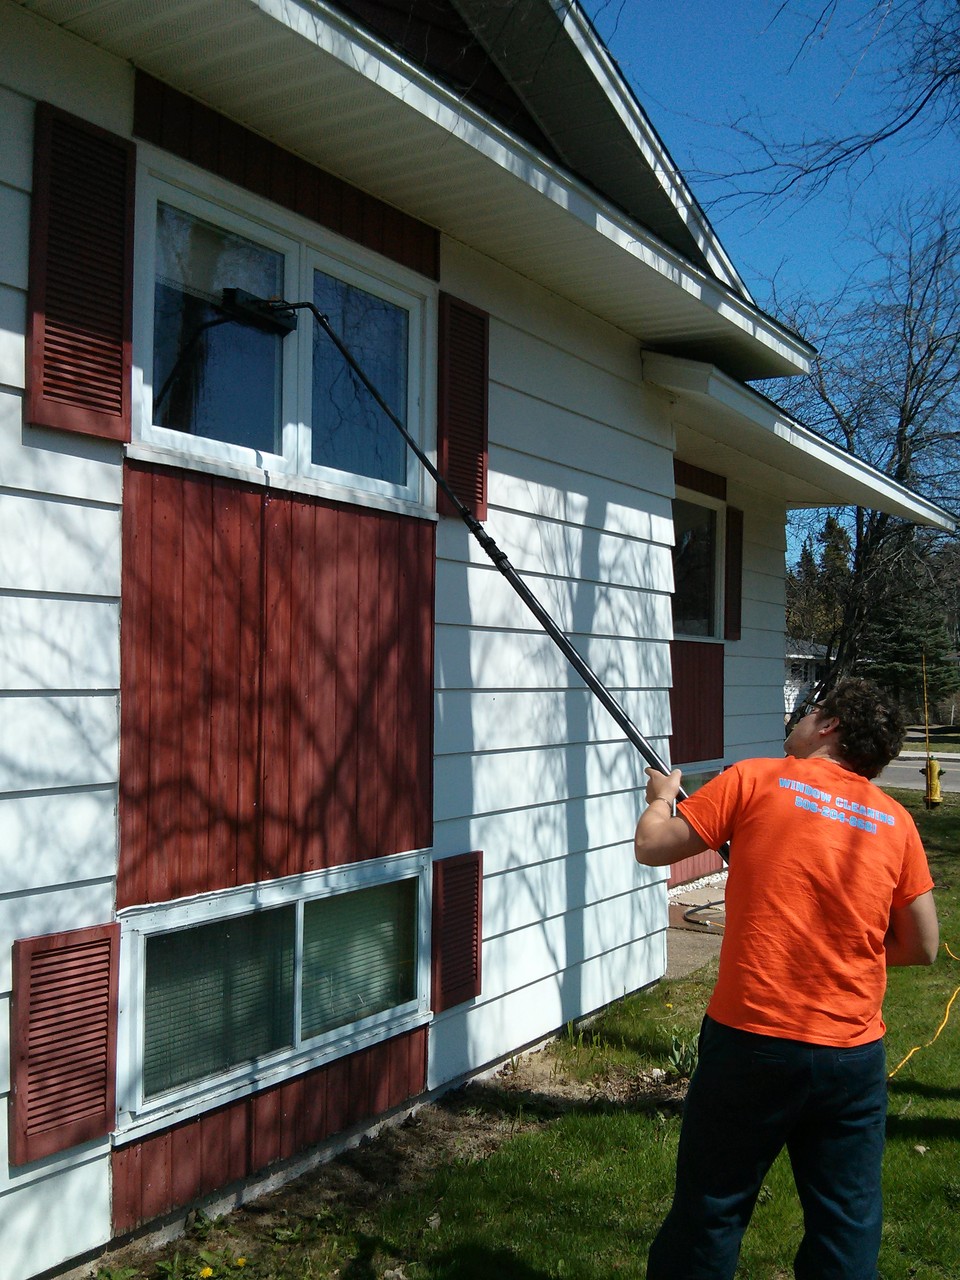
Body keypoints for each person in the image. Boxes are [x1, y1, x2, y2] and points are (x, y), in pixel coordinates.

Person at [634, 678, 938, 1280]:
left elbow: (653, 846)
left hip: (752, 1042)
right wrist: (845, 954)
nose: (796, 721)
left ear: (829, 727)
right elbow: (922, 946)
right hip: (852, 1058)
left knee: (712, 1208)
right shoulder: (896, 821)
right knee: (845, 1223)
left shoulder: (755, 778)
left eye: (808, 711)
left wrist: (662, 797)